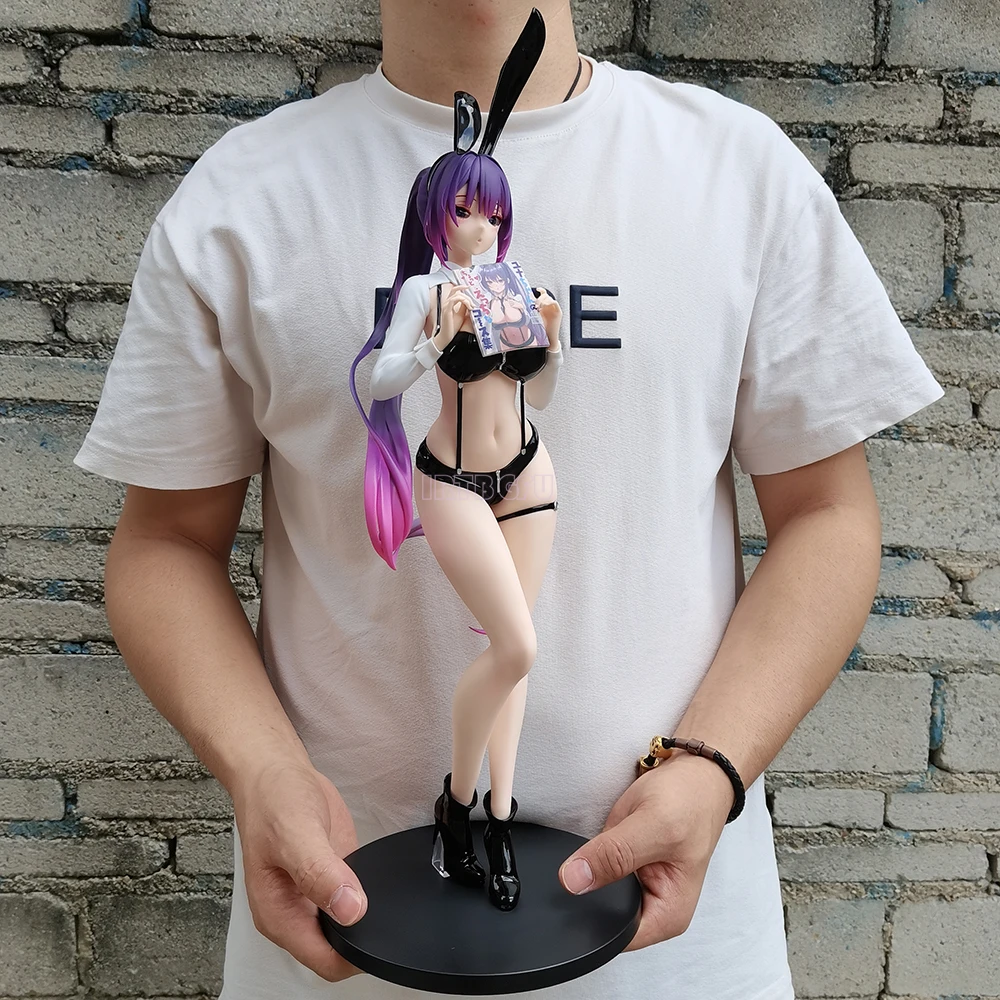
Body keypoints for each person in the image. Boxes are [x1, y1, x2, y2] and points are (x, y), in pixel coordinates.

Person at [72, 0, 945, 997]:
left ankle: (481, 813)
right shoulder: (247, 196)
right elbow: (167, 545)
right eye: (463, 213)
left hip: (681, 950)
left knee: (509, 652)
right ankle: (465, 804)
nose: (479, 226)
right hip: (344, 917)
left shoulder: (737, 172)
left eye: (490, 214)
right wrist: (262, 771)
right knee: (517, 646)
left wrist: (712, 764)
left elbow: (827, 516)